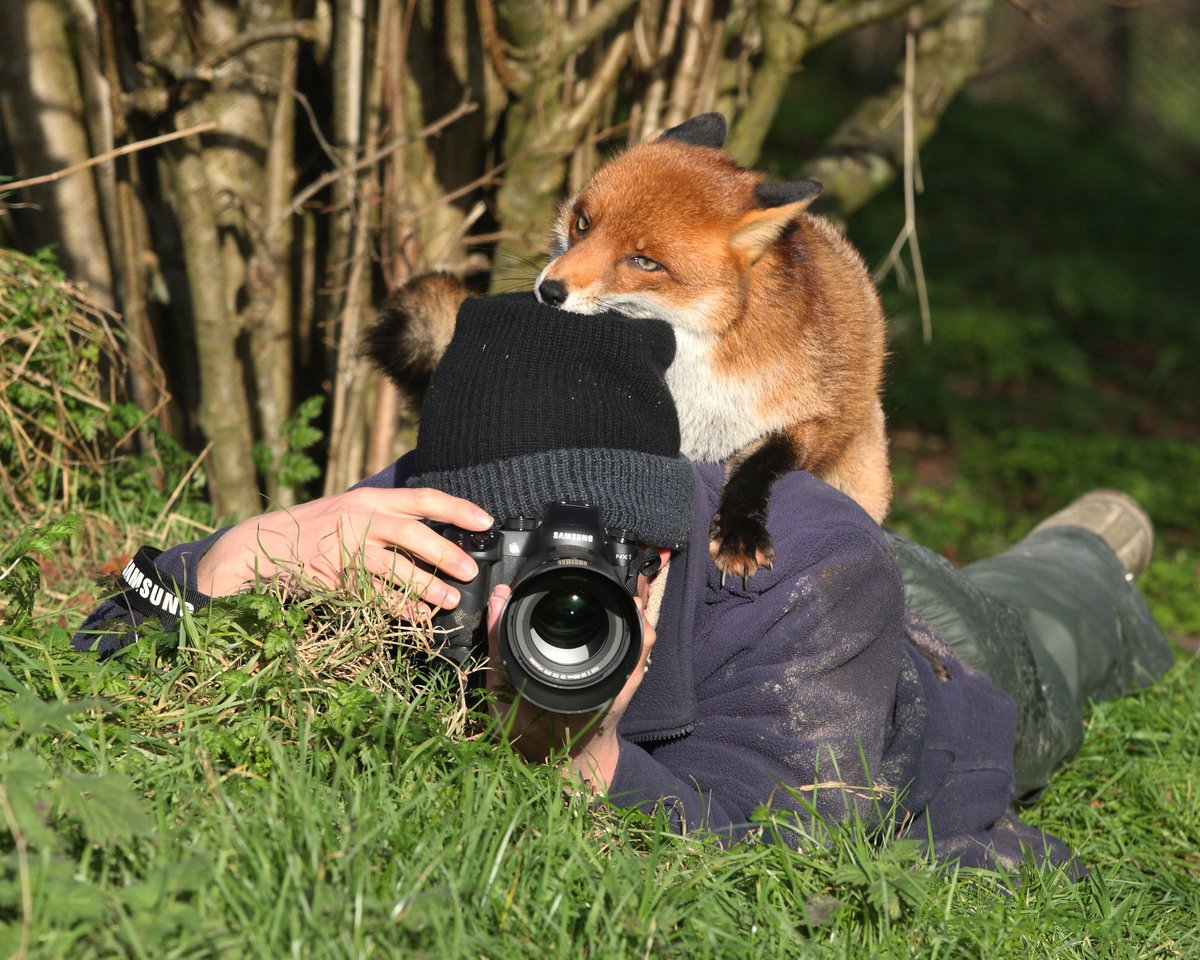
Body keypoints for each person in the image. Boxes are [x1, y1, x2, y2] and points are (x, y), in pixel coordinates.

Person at [74, 293, 1173, 874]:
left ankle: (1089, 543)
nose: (547, 601)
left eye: (608, 564)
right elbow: (99, 680)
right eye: (504, 562)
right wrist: (228, 565)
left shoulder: (811, 573)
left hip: (927, 657)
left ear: (666, 542)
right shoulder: (408, 528)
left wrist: (594, 768)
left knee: (1046, 616)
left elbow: (797, 854)